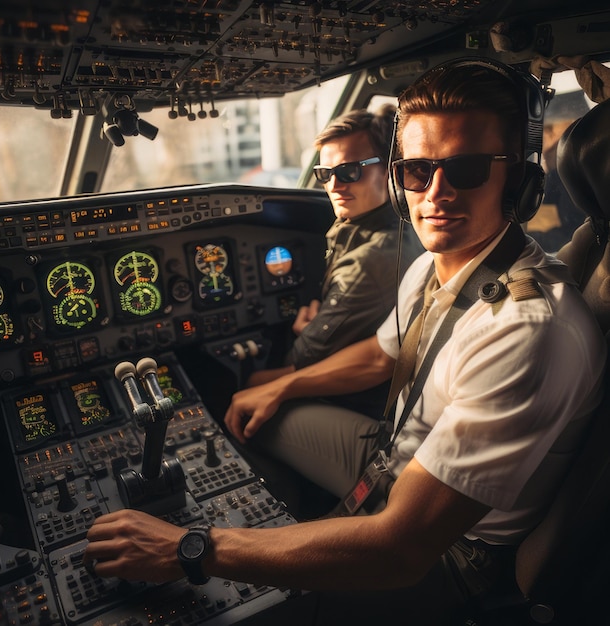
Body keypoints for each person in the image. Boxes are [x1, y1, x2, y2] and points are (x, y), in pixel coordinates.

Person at [84, 59, 606, 624]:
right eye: (417, 170)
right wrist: (282, 388)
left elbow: (400, 550)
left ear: (522, 183)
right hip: (394, 454)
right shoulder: (439, 263)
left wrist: (191, 548)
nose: (436, 193)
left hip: (453, 554)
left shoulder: (525, 330)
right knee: (257, 413)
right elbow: (381, 355)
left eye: (468, 169)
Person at [248, 105, 422, 417]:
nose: (334, 186)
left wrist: (303, 336)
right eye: (324, 174)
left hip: (366, 408)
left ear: (389, 170)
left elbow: (299, 364)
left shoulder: (369, 260)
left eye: (349, 171)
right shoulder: (404, 224)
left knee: (248, 389)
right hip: (383, 392)